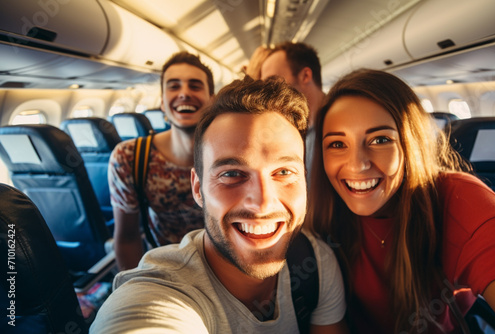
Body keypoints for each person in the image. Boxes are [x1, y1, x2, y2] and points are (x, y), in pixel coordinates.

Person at [91, 77, 348, 333]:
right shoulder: (163, 293)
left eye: (283, 172)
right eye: (231, 174)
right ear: (197, 188)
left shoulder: (317, 262)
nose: (262, 204)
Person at [305, 68, 495, 333]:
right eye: (337, 144)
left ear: (410, 144)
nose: (358, 165)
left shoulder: (458, 200)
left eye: (380, 139)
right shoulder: (315, 208)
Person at [108, 51, 214, 270]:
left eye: (195, 86)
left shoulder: (232, 155)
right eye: (174, 86)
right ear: (163, 103)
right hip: (163, 269)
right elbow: (127, 238)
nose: (184, 93)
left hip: (223, 268)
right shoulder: (129, 157)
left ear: (212, 101)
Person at [260, 41, 325, 175]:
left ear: (305, 76)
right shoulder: (287, 128)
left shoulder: (341, 125)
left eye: (272, 82)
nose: (266, 91)